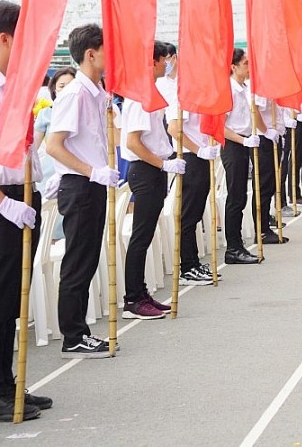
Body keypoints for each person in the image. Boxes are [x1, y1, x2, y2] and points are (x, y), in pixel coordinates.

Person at [0, 0, 52, 421]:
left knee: (8, 302)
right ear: (5, 37)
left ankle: (6, 384)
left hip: (18, 196)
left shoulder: (10, 84)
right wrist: (2, 203)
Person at [47, 24, 120, 358]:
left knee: (88, 257)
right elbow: (53, 146)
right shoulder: (74, 93)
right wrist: (92, 170)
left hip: (93, 182)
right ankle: (73, 334)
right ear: (91, 53)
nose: (111, 55)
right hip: (80, 184)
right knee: (78, 260)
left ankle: (79, 331)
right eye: (106, 49)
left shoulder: (96, 92)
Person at [119, 42, 186, 319]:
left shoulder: (152, 93)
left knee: (146, 235)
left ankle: (141, 291)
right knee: (140, 236)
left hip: (155, 168)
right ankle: (132, 299)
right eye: (163, 60)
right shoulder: (139, 97)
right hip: (145, 170)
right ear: (154, 62)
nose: (166, 65)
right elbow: (133, 143)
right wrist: (163, 163)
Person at [166, 84, 220, 286]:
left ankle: (193, 262)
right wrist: (198, 150)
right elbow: (173, 128)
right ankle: (187, 267)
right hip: (190, 157)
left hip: (200, 157)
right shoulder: (181, 97)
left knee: (195, 213)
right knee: (188, 215)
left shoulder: (199, 95)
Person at [221, 48, 260, 265]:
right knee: (235, 197)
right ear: (233, 67)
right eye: (245, 63)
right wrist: (242, 140)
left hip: (244, 141)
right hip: (234, 145)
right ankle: (233, 247)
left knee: (241, 196)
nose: (248, 66)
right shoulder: (229, 90)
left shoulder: (243, 88)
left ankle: (237, 245)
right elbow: (220, 125)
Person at [254, 94, 288, 244]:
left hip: (274, 136)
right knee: (264, 185)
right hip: (264, 138)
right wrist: (266, 131)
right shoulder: (261, 86)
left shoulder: (271, 86)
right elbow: (255, 111)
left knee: (271, 184)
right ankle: (261, 230)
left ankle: (266, 225)